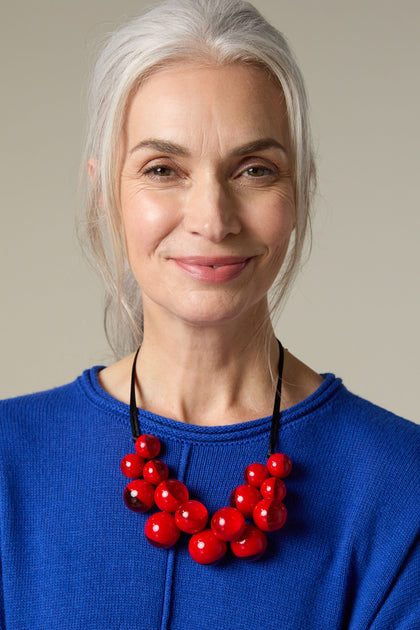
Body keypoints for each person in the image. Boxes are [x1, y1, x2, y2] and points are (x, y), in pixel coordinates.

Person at [0, 0, 418, 628]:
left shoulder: (401, 486)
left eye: (254, 170)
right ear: (105, 192)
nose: (212, 219)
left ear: (299, 190)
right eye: (162, 169)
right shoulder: (10, 459)